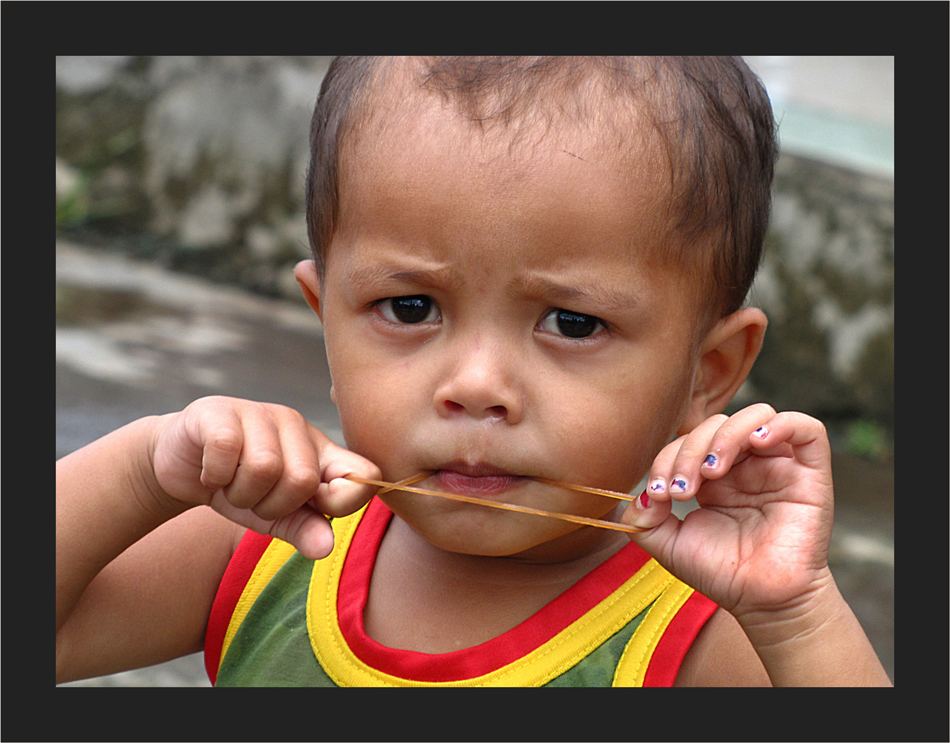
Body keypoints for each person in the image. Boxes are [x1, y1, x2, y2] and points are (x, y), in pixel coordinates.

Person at [56, 56, 891, 687]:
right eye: (411, 308)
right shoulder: (270, 544)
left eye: (573, 322)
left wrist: (795, 614)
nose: (477, 384)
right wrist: (146, 465)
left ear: (707, 374)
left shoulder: (700, 640)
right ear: (326, 323)